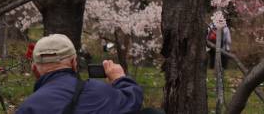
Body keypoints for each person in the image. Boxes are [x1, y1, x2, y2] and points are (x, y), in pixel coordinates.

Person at [16, 34, 163, 114]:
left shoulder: (28, 108)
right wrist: (120, 79)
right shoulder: (100, 92)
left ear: (34, 69)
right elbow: (132, 101)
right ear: (74, 63)